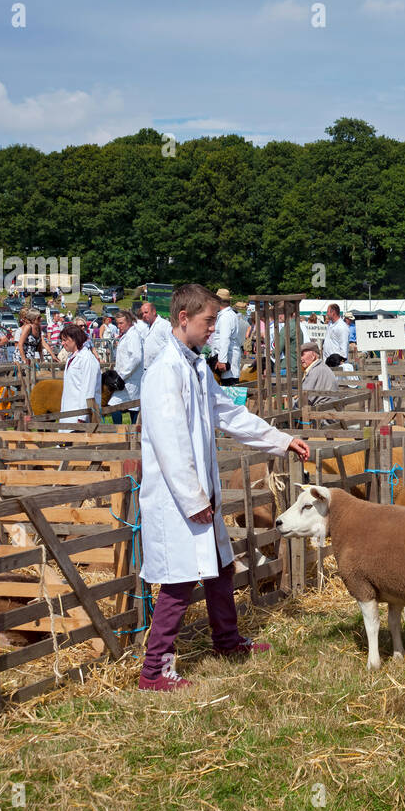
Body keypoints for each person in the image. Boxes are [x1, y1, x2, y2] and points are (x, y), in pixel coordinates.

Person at [138, 283, 311, 691]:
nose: (214, 329)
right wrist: (193, 497)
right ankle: (153, 671)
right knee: (179, 581)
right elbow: (169, 442)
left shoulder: (196, 366)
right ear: (184, 318)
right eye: (208, 321)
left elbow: (229, 415)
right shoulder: (165, 370)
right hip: (180, 496)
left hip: (201, 490)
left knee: (219, 567)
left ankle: (227, 641)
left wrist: (280, 439)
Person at [58, 325, 101, 429]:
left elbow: (88, 389)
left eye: (65, 340)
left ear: (75, 339)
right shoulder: (71, 357)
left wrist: (81, 417)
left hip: (80, 415)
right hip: (68, 410)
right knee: (65, 443)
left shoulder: (87, 359)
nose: (62, 343)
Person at [108, 309, 143, 423]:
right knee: (132, 406)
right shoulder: (128, 335)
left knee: (115, 405)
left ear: (129, 321)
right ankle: (129, 434)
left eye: (121, 323)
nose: (119, 326)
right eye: (117, 323)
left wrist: (122, 375)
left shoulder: (133, 335)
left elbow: (136, 357)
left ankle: (124, 433)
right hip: (126, 379)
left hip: (129, 379)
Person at [208, 289, 241, 385]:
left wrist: (222, 361)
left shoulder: (225, 317)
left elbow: (224, 339)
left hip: (227, 358)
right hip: (228, 356)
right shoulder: (228, 315)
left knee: (228, 387)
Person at [141, 300, 172, 369]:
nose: (144, 315)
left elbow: (171, 345)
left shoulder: (164, 325)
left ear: (154, 312)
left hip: (161, 368)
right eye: (142, 313)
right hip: (147, 367)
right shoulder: (146, 327)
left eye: (146, 312)